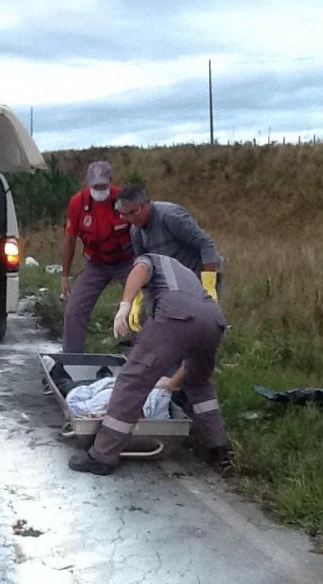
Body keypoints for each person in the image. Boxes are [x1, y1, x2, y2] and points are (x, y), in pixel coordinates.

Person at [68, 253, 229, 475]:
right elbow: (190, 366)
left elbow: (141, 269)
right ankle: (218, 450)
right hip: (214, 320)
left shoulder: (150, 258)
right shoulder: (184, 272)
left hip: (177, 315)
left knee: (132, 380)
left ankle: (102, 455)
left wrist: (124, 305)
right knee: (199, 383)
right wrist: (171, 383)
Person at [60, 161, 135, 353]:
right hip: (96, 264)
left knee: (139, 308)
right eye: (95, 186)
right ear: (87, 183)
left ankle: (143, 356)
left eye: (103, 186)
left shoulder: (124, 200)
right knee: (74, 310)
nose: (99, 190)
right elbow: (70, 240)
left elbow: (141, 231)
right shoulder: (78, 203)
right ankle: (72, 358)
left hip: (126, 261)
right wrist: (64, 276)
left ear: (110, 181)